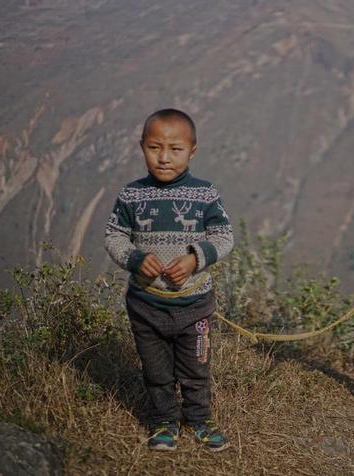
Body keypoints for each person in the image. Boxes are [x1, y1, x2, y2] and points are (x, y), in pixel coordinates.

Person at [104, 108, 233, 452]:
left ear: (192, 151)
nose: (163, 158)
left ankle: (200, 419)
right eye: (154, 147)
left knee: (195, 368)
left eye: (175, 149)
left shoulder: (205, 195)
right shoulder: (132, 196)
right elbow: (114, 236)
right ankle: (164, 421)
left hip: (194, 305)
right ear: (141, 147)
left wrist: (196, 258)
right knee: (156, 370)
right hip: (146, 306)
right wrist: (134, 258)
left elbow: (224, 236)